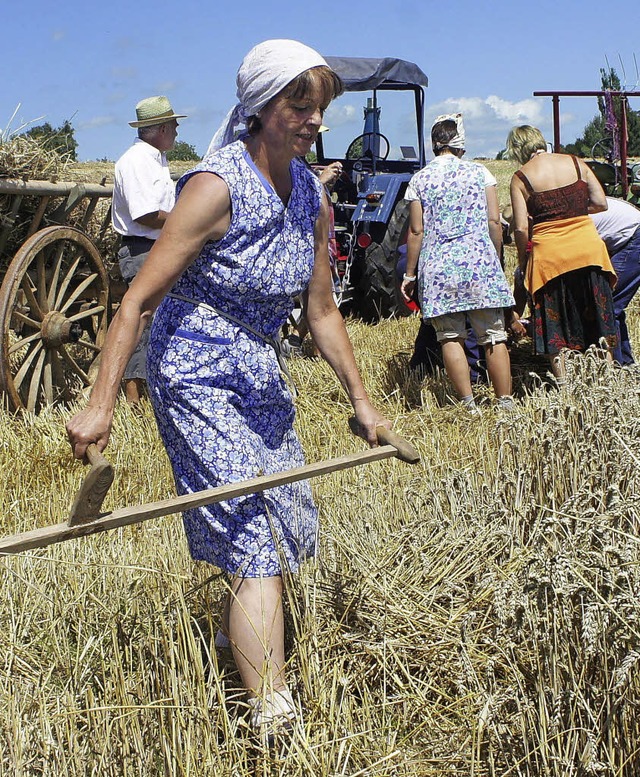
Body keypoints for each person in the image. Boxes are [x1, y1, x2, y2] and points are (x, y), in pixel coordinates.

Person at [66, 39, 389, 742]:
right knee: (250, 532)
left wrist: (363, 401)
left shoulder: (308, 193)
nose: (312, 117)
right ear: (259, 107)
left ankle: (235, 648)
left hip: (259, 369)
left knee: (289, 521)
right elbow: (137, 303)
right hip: (195, 369)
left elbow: (324, 312)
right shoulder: (214, 187)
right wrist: (100, 403)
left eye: (319, 103)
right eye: (297, 102)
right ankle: (272, 714)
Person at [400, 114, 516, 414]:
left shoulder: (420, 179)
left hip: (439, 270)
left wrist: (410, 275)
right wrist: (494, 259)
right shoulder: (481, 173)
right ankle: (504, 404)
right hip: (480, 266)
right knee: (493, 335)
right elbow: (494, 221)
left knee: (450, 337)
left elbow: (416, 231)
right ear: (460, 144)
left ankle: (469, 406)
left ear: (434, 143)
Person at [507, 125, 617, 379]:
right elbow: (601, 203)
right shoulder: (575, 162)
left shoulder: (521, 178)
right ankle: (608, 382)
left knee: (555, 327)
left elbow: (521, 227)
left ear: (517, 149)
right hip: (589, 250)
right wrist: (573, 213)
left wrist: (525, 260)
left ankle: (567, 385)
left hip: (550, 258)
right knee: (599, 322)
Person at [111, 95, 186, 405]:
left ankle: (153, 390)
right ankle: (133, 398)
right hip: (142, 249)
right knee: (142, 319)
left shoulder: (155, 159)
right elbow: (145, 215)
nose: (178, 132)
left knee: (158, 319)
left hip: (157, 247)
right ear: (162, 129)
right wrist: (186, 221)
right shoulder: (136, 161)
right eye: (175, 126)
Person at [590, 196, 640, 364]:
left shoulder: (567, 220)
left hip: (634, 237)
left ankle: (618, 365)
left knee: (608, 304)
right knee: (613, 305)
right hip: (630, 233)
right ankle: (624, 362)